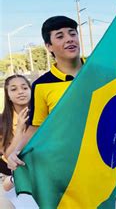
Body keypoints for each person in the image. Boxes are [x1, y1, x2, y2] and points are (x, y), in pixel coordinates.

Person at [8, 16, 83, 171]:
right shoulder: (41, 85)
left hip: (108, 159)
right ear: (49, 46)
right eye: (60, 36)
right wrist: (16, 152)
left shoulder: (101, 73)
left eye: (72, 33)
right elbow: (36, 128)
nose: (69, 39)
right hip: (67, 166)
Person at [0, 75, 31, 209]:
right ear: (7, 95)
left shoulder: (43, 114)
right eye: (14, 89)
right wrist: (19, 129)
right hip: (12, 179)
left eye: (24, 87)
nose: (20, 91)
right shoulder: (2, 122)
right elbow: (8, 155)